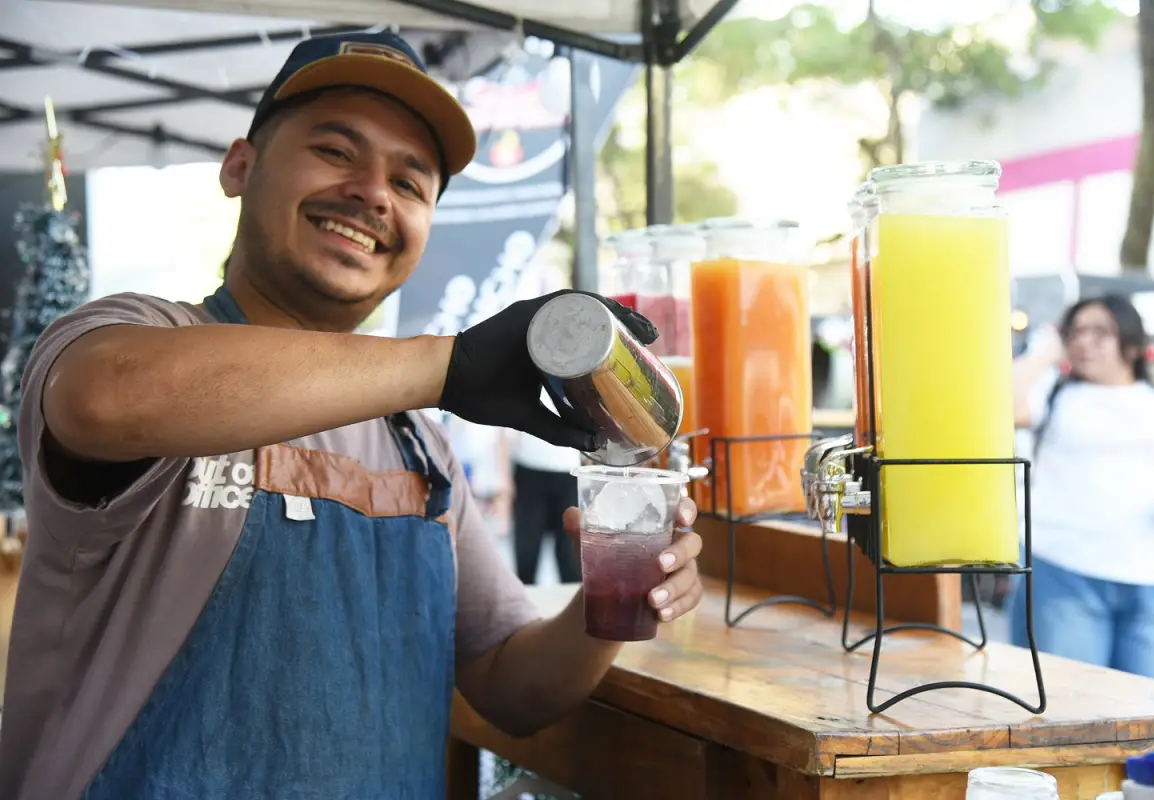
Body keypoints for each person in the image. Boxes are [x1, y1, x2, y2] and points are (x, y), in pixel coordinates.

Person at [0, 31, 703, 800]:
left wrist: (617, 601)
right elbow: (107, 401)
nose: (374, 193)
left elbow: (511, 686)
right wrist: (447, 365)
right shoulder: (141, 335)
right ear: (240, 166)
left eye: (410, 184)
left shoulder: (417, 442)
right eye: (336, 151)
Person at [1009, 294, 1154, 683]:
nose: (1084, 341)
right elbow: (1000, 406)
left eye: (1100, 331)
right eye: (1076, 331)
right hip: (1065, 572)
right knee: (1072, 714)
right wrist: (1043, 353)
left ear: (1130, 342)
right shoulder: (1055, 393)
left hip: (1153, 580)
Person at [509, 391, 583, 585]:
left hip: (570, 471)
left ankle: (574, 611)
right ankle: (522, 610)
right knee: (526, 552)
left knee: (569, 557)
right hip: (528, 468)